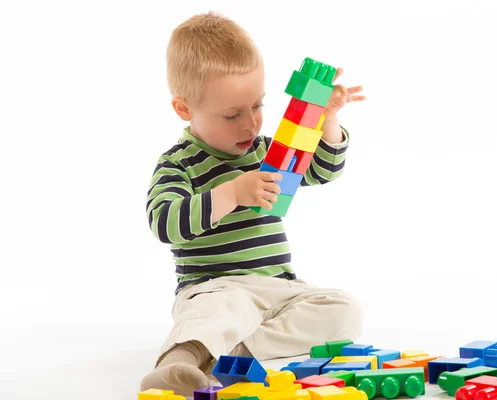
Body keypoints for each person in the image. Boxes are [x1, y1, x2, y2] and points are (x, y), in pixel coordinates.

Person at [141, 11, 367, 396]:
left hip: (279, 287)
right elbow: (165, 223)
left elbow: (321, 170)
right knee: (219, 313)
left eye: (257, 106)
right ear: (184, 109)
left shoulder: (265, 153)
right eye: (232, 114)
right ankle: (178, 362)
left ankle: (235, 353)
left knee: (343, 309)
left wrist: (326, 119)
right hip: (215, 286)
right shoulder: (178, 163)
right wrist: (230, 192)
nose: (251, 125)